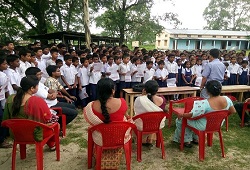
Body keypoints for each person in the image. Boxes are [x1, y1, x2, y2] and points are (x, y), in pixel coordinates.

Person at [173, 80, 236, 148]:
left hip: (204, 126)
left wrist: (182, 115)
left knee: (181, 120)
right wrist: (222, 116)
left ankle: (187, 140)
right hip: (218, 124)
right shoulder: (227, 99)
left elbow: (192, 115)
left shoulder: (204, 103)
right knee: (195, 120)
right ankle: (196, 138)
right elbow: (233, 111)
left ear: (207, 91)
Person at [83, 78, 129, 169]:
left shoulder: (91, 106)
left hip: (101, 139)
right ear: (113, 90)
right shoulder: (122, 102)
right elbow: (125, 117)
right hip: (119, 137)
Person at [3, 76, 58, 150]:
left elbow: (6, 118)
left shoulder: (10, 98)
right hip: (34, 135)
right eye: (37, 86)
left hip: (16, 134)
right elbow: (47, 118)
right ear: (32, 88)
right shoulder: (36, 100)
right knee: (56, 125)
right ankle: (52, 143)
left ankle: (51, 144)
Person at [134, 80, 167, 147]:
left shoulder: (140, 99)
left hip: (144, 125)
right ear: (157, 89)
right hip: (157, 124)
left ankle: (143, 140)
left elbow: (138, 111)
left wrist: (142, 96)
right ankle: (150, 140)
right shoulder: (162, 99)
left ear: (145, 89)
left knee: (137, 119)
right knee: (153, 119)